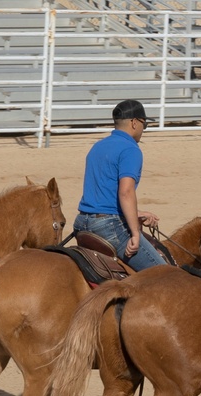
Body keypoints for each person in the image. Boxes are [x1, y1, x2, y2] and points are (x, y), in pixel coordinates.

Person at [74, 99, 166, 270]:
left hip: (81, 223)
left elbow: (103, 196)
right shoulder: (131, 150)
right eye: (144, 125)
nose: (143, 130)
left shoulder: (97, 146)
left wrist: (136, 213)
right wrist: (135, 234)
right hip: (108, 227)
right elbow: (126, 192)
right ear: (134, 122)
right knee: (166, 275)